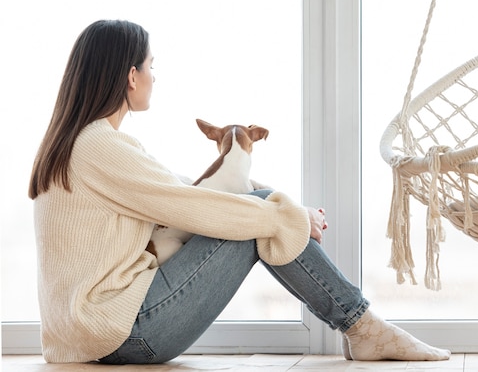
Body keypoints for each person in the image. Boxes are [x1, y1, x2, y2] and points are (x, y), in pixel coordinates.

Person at [29, 19, 451, 364]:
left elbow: (179, 187)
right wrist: (286, 215)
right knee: (261, 215)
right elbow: (190, 205)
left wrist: (285, 206)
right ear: (131, 76)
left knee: (264, 207)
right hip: (124, 333)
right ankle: (364, 328)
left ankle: (363, 328)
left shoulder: (77, 145)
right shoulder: (101, 146)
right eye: (151, 66)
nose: (155, 77)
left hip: (86, 336)